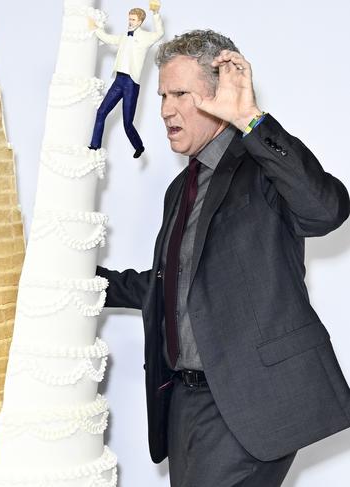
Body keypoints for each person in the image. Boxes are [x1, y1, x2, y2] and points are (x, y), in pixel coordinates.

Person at [97, 30, 350, 486]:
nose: (165, 110)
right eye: (162, 96)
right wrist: (77, 279)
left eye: (180, 95)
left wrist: (251, 119)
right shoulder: (181, 188)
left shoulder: (262, 167)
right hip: (184, 401)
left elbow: (326, 210)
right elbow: (169, 281)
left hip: (249, 400)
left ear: (217, 97)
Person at [88, 1, 164, 158]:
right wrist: (95, 27)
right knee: (101, 112)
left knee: (127, 123)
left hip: (131, 84)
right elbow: (108, 39)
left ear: (141, 21)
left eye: (134, 19)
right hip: (118, 80)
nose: (130, 21)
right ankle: (95, 146)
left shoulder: (145, 38)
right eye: (129, 18)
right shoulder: (124, 37)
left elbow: (160, 33)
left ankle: (139, 146)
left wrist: (156, 14)